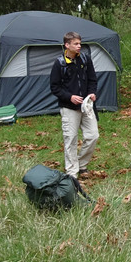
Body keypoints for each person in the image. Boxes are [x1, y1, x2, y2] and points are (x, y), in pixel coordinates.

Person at [49, 31, 99, 179]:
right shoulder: (59, 63)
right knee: (70, 139)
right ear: (67, 45)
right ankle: (72, 172)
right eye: (76, 44)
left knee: (93, 136)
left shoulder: (85, 59)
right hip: (69, 107)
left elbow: (92, 80)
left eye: (80, 43)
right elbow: (55, 87)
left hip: (87, 106)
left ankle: (81, 164)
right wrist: (69, 97)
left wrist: (91, 93)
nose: (79, 46)